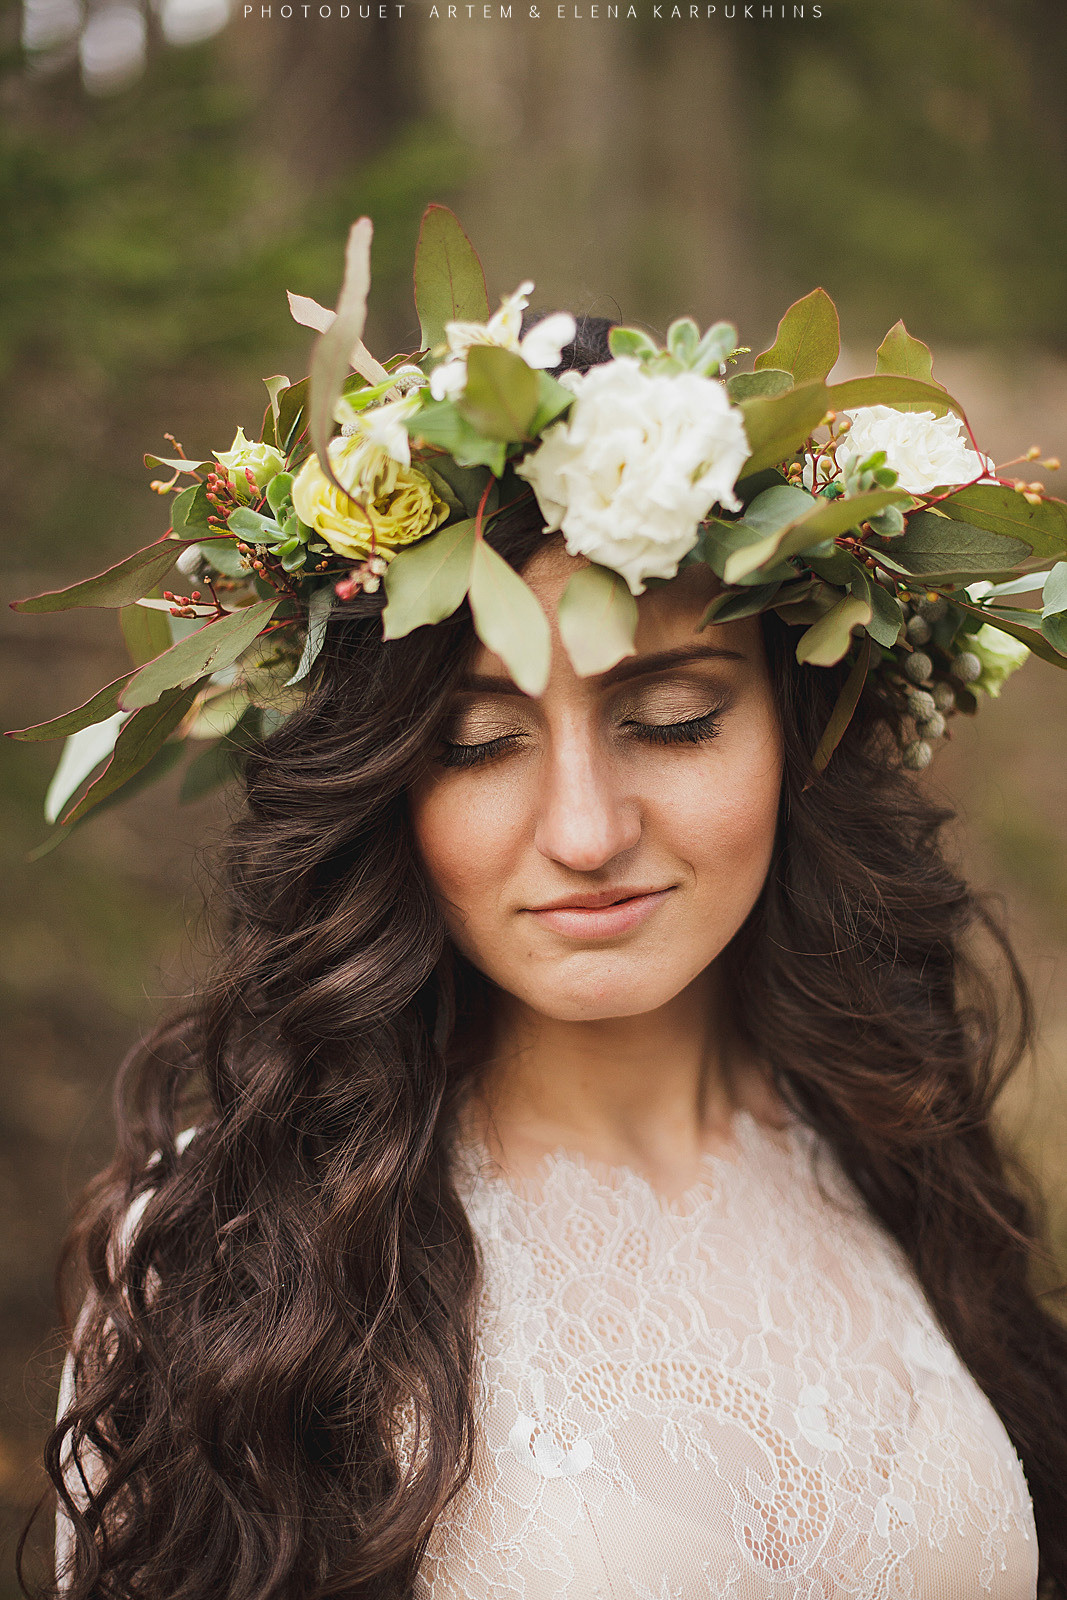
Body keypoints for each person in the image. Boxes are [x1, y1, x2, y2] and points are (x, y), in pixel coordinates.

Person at [22, 246, 1067, 1599]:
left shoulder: (897, 1130)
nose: (585, 830)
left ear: (799, 728)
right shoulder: (231, 1253)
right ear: (386, 790)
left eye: (674, 720)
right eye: (474, 743)